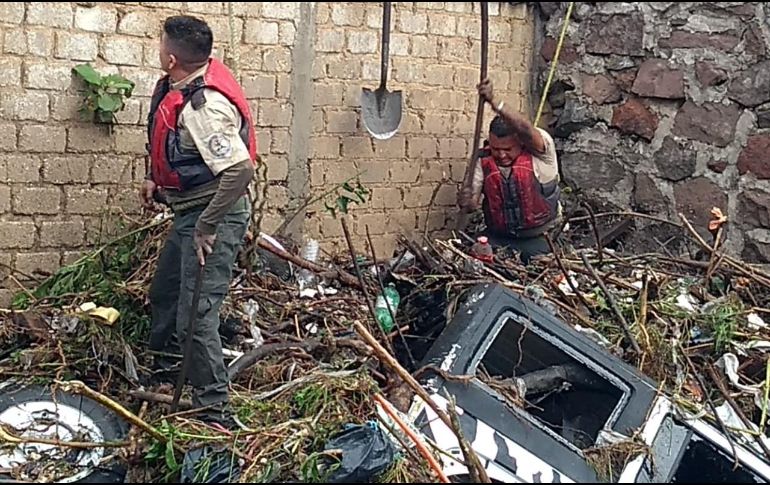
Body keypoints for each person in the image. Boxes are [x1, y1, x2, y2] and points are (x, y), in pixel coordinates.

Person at [139, 15, 258, 419]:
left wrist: (207, 227)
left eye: (159, 45)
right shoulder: (177, 86)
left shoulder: (205, 108)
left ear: (171, 58)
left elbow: (240, 171)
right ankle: (168, 371)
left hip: (213, 217)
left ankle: (213, 407)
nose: (158, 51)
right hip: (187, 211)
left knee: (195, 316)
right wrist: (154, 179)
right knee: (166, 294)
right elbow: (171, 143)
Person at [459, 78, 561, 264]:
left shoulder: (541, 152)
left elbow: (524, 128)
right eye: (496, 149)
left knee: (543, 268)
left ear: (520, 143)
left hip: (539, 238)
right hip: (499, 237)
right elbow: (470, 205)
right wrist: (465, 200)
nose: (502, 155)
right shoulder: (483, 159)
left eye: (507, 150)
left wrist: (494, 102)